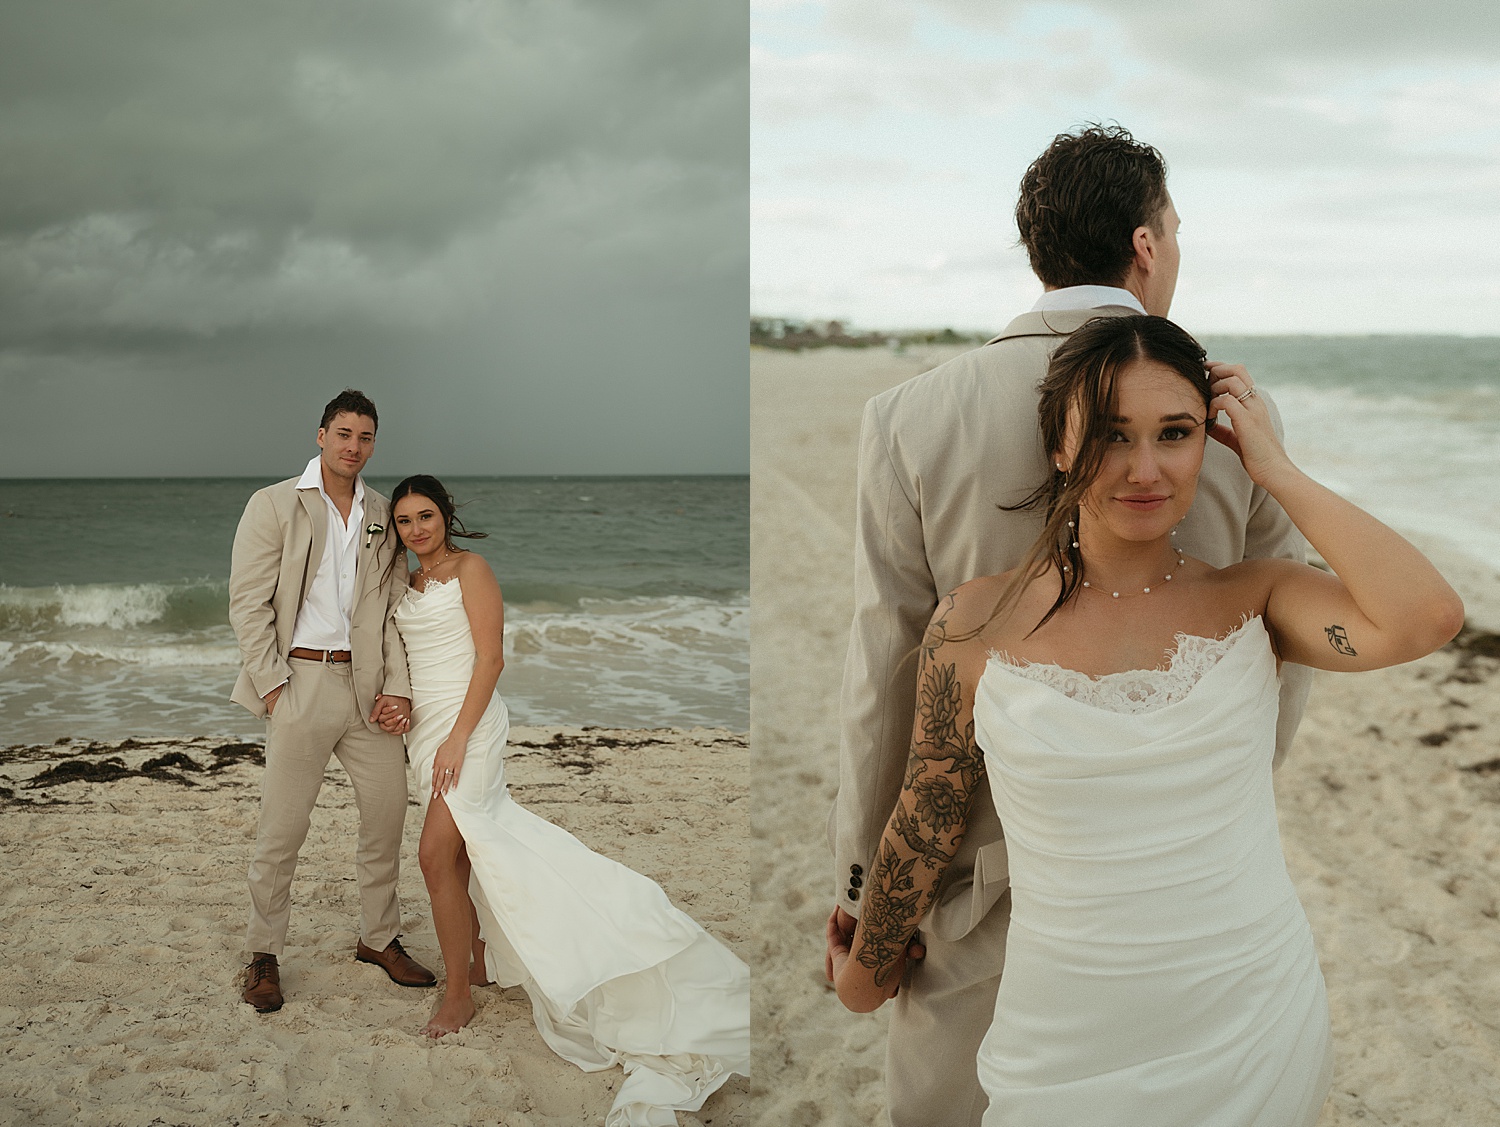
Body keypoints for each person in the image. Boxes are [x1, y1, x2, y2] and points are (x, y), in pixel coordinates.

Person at [832, 314, 1464, 1124]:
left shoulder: (1257, 600)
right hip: (1061, 1035)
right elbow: (928, 813)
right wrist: (865, 971)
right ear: (1058, 445)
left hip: (1253, 1020)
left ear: (1211, 441)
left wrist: (1277, 469)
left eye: (1176, 433)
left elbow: (1428, 615)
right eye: (1109, 434)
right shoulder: (973, 622)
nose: (1144, 468)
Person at [825, 124, 1312, 1126]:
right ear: (1144, 243)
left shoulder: (911, 414)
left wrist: (867, 884)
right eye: (1174, 229)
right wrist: (1212, 807)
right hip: (1180, 880)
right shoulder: (1216, 417)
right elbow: (1283, 658)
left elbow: (884, 667)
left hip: (962, 876)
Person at [387, 474, 750, 1127]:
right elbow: (404, 662)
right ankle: (474, 958)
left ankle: (458, 994)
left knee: (435, 853)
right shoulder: (405, 585)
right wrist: (401, 707)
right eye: (405, 519)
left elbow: (491, 659)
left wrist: (457, 740)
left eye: (426, 515)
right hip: (426, 728)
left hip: (468, 726)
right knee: (470, 848)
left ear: (446, 516)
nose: (417, 528)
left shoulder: (472, 568)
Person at [229, 389, 435, 1012]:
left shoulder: (382, 511)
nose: (354, 446)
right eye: (344, 433)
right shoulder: (273, 504)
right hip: (301, 684)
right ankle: (264, 954)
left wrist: (398, 686)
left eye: (366, 436)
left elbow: (392, 610)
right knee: (283, 830)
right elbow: (248, 601)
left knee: (386, 816)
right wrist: (271, 685)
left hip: (366, 688)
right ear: (321, 436)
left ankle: (378, 938)